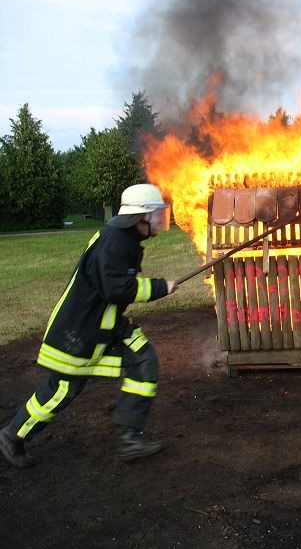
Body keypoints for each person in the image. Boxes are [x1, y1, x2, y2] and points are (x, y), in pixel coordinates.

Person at [0, 183, 177, 468]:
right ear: (141, 216)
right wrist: (160, 287)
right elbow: (116, 289)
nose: (160, 220)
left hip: (105, 327)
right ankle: (12, 435)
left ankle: (129, 438)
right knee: (61, 390)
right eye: (156, 214)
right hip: (79, 333)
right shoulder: (116, 241)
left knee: (144, 361)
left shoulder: (123, 239)